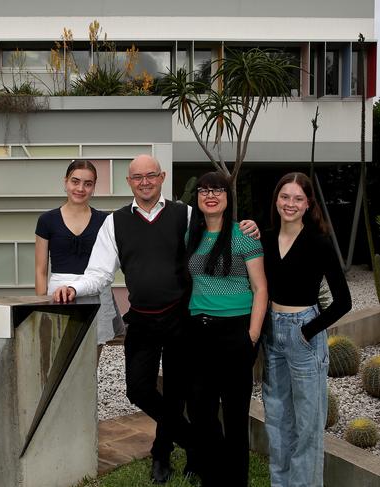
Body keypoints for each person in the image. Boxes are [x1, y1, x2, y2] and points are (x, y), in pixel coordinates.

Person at [53, 154, 259, 484]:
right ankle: (196, 444)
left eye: (151, 175)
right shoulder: (115, 222)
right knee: (138, 389)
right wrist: (73, 287)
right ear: (129, 182)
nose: (145, 181)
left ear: (162, 177)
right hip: (143, 321)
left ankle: (162, 454)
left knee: (179, 392)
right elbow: (99, 272)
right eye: (138, 177)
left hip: (182, 319)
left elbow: (220, 229)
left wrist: (249, 226)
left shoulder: (186, 214)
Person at [261, 172, 351, 487]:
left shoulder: (319, 242)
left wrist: (308, 330)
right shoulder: (266, 239)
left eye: (298, 198)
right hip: (272, 334)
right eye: (285, 197)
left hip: (304, 336)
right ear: (276, 200)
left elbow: (343, 302)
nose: (290, 203)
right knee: (277, 420)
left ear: (308, 203)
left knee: (308, 425)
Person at [185, 172, 267, 487]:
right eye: (204, 190)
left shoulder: (244, 235)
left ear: (227, 197)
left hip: (237, 333)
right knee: (203, 416)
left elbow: (261, 288)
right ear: (198, 198)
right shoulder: (190, 237)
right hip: (199, 333)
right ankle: (212, 478)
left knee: (234, 418)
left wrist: (253, 335)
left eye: (218, 189)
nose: (211, 195)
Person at [35, 160, 124, 358]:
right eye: (75, 181)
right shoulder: (47, 220)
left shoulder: (105, 220)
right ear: (65, 182)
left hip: (96, 295)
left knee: (92, 358)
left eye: (88, 183)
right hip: (58, 296)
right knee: (58, 359)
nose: (80, 188)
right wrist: (41, 305)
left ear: (94, 187)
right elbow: (40, 269)